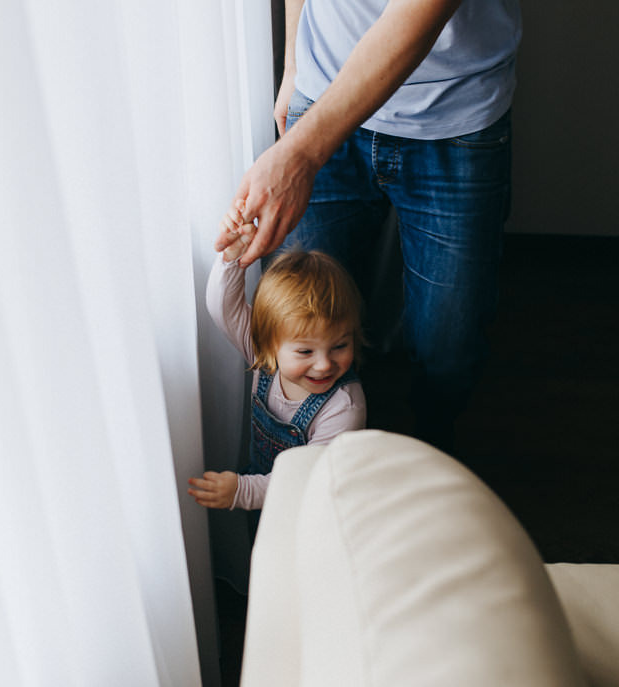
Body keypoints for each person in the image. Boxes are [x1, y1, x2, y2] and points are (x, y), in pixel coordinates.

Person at [215, 0, 521, 451]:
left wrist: (300, 152)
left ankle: (428, 453)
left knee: (448, 349)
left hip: (456, 117)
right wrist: (294, 68)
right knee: (299, 320)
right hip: (320, 95)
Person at [188, 211, 366, 513]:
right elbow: (222, 308)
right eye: (305, 352)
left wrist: (242, 491)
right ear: (270, 344)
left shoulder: (344, 407)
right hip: (264, 494)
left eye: (339, 345)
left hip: (313, 506)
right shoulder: (264, 355)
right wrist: (233, 258)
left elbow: (308, 479)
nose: (324, 364)